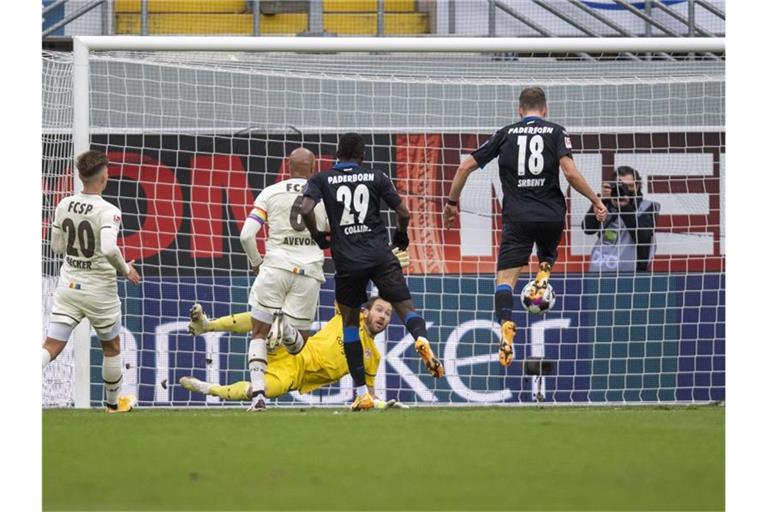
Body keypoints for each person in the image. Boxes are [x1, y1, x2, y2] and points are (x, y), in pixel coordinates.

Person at [442, 87, 608, 367]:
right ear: (546, 109)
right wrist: (596, 200)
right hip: (551, 215)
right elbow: (569, 172)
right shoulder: (556, 131)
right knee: (548, 249)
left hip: (517, 218)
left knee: (505, 282)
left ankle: (506, 323)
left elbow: (464, 167)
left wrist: (451, 202)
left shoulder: (505, 133)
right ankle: (544, 270)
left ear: (519, 110)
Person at [299, 132, 445, 411]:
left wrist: (318, 236)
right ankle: (421, 339)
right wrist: (401, 238)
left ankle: (361, 393)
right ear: (361, 155)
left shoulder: (322, 178)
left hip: (347, 262)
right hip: (380, 255)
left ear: (337, 154)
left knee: (351, 324)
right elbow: (403, 212)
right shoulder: (376, 176)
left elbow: (305, 208)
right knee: (406, 308)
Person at [42, 150, 141, 412]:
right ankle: (112, 405)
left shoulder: (64, 204)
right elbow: (109, 249)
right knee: (111, 346)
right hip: (100, 291)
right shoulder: (109, 211)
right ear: (104, 177)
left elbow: (56, 247)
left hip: (69, 286)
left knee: (51, 346)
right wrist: (125, 269)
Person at [181, 296, 408, 409]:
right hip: (295, 349)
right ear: (365, 311)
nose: (383, 317)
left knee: (258, 392)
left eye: (388, 314)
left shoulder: (373, 356)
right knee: (264, 319)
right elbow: (348, 284)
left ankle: (207, 388)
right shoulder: (349, 317)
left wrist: (384, 405)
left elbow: (369, 396)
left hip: (293, 375)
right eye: (379, 310)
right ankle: (207, 326)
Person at [237, 147, 330, 412]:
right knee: (297, 347)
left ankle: (257, 395)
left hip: (275, 267)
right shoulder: (324, 194)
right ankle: (286, 330)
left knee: (258, 332)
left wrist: (256, 263)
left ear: (287, 168)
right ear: (313, 168)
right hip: (309, 270)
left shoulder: (270, 192)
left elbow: (246, 235)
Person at [582, 166, 660, 272]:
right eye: (621, 186)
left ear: (637, 186)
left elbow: (643, 238)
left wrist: (624, 207)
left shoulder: (648, 207)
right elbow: (588, 229)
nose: (624, 190)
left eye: (629, 186)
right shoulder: (607, 204)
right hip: (600, 271)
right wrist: (598, 203)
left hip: (632, 274)